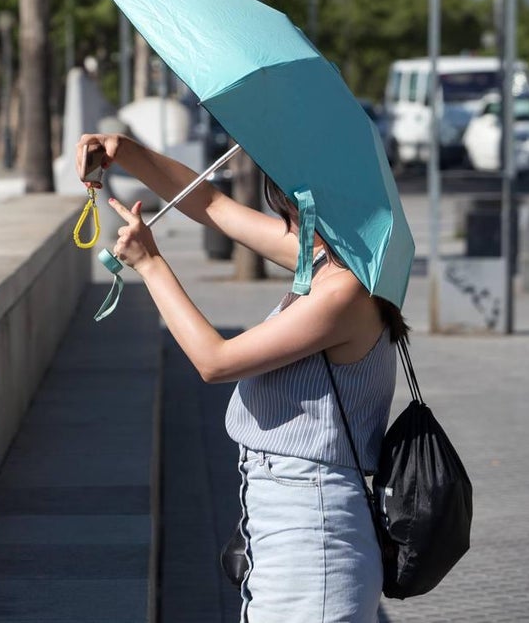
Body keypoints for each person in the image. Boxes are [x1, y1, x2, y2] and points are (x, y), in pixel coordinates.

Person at [76, 133, 407, 622]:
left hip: (311, 529)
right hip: (286, 517)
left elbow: (216, 361)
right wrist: (124, 151)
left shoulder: (347, 292)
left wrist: (151, 264)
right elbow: (212, 205)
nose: (285, 221)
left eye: (288, 205)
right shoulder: (327, 263)